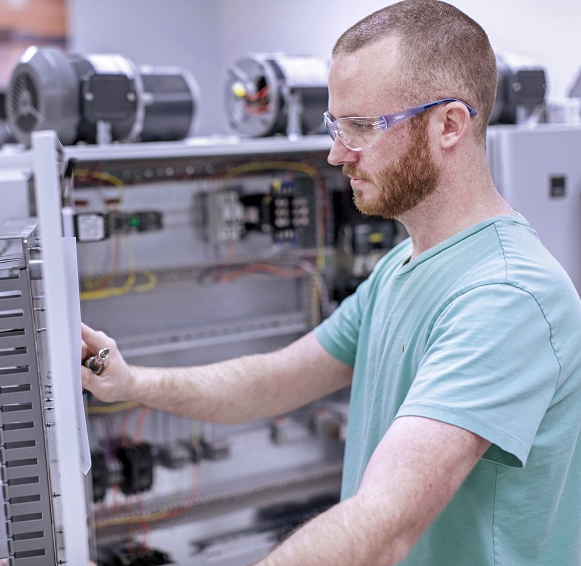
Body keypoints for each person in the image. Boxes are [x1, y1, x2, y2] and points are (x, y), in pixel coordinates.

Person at [80, 1, 581, 564]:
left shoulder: (507, 297)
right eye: (336, 125)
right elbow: (271, 381)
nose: (336, 153)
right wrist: (132, 383)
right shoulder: (403, 266)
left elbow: (384, 524)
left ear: (449, 125)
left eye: (362, 127)